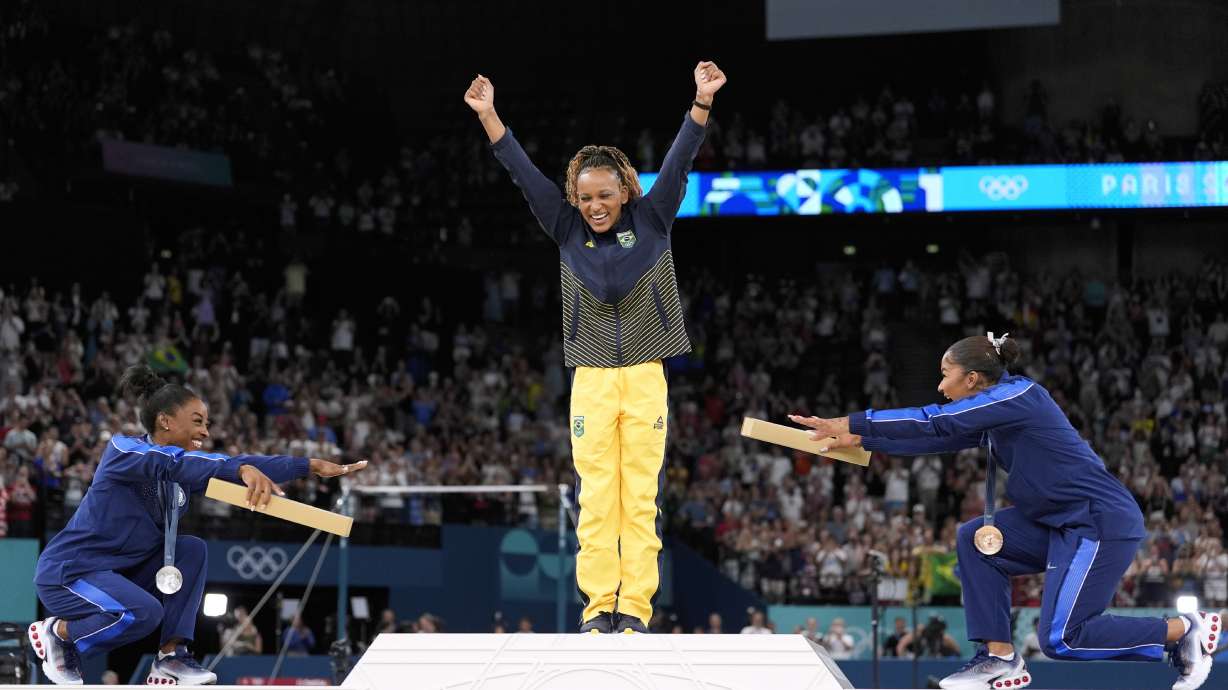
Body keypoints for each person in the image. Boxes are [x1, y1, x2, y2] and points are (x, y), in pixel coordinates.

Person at [789, 334, 1219, 690]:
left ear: (972, 378)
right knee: (973, 540)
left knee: (1061, 638)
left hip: (1097, 521)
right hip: (1057, 523)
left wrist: (851, 423)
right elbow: (940, 438)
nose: (941, 386)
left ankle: (1183, 631)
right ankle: (1000, 657)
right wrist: (865, 442)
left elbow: (936, 420)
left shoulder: (1021, 396)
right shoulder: (995, 412)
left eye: (945, 376)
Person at [465, 61, 726, 634]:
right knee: (595, 499)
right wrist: (489, 116)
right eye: (585, 197)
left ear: (625, 191)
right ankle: (596, 608)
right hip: (591, 379)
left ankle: (633, 608)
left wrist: (701, 103)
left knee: (640, 499)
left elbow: (680, 159)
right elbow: (522, 173)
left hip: (644, 375)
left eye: (604, 195)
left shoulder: (654, 218)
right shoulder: (564, 228)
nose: (595, 206)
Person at [28, 364, 367, 685]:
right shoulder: (122, 450)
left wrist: (306, 466)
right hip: (70, 572)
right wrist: (238, 471)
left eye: (207, 422)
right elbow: (180, 463)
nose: (206, 431)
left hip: (121, 572)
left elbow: (226, 464)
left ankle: (171, 656)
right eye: (197, 421)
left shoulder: (184, 472)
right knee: (143, 612)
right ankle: (58, 633)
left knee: (192, 550)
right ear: (164, 421)